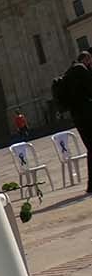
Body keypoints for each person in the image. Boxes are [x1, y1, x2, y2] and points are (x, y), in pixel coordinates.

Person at [53, 50, 92, 193]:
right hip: (87, 113)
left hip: (77, 116)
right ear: (87, 59)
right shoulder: (81, 69)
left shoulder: (68, 73)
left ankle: (91, 184)